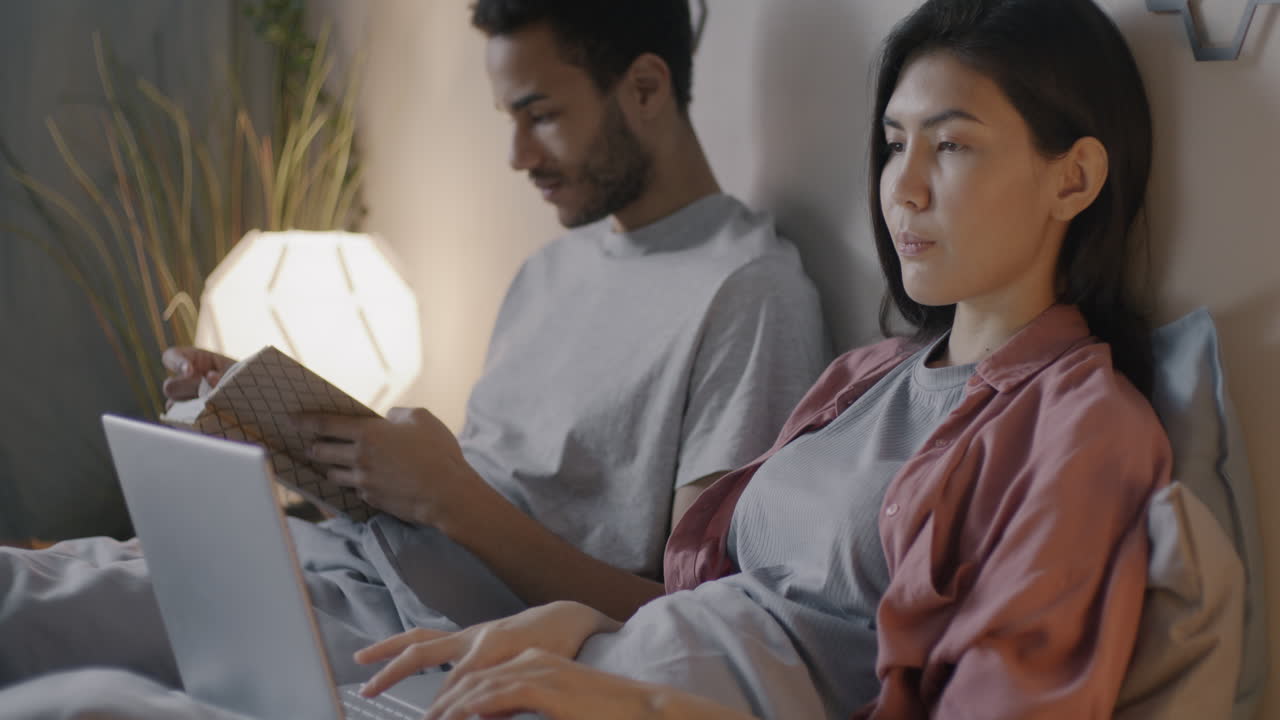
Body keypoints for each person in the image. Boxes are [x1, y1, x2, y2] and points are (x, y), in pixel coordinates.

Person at [0, 0, 1172, 716]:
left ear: (1074, 177)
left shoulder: (1071, 427)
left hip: (602, 684)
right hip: (524, 649)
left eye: (949, 147)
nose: (901, 188)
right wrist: (566, 631)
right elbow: (709, 594)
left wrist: (624, 679)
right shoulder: (865, 380)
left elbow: (882, 674)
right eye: (891, 143)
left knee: (83, 703)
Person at [0, 0, 828, 693]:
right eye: (509, 119)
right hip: (345, 556)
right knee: (27, 582)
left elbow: (697, 616)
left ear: (645, 87)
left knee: (27, 620)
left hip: (417, 630)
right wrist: (282, 423)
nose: (518, 156)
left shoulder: (749, 293)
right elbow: (477, 495)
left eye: (541, 115)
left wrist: (448, 498)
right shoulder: (551, 269)